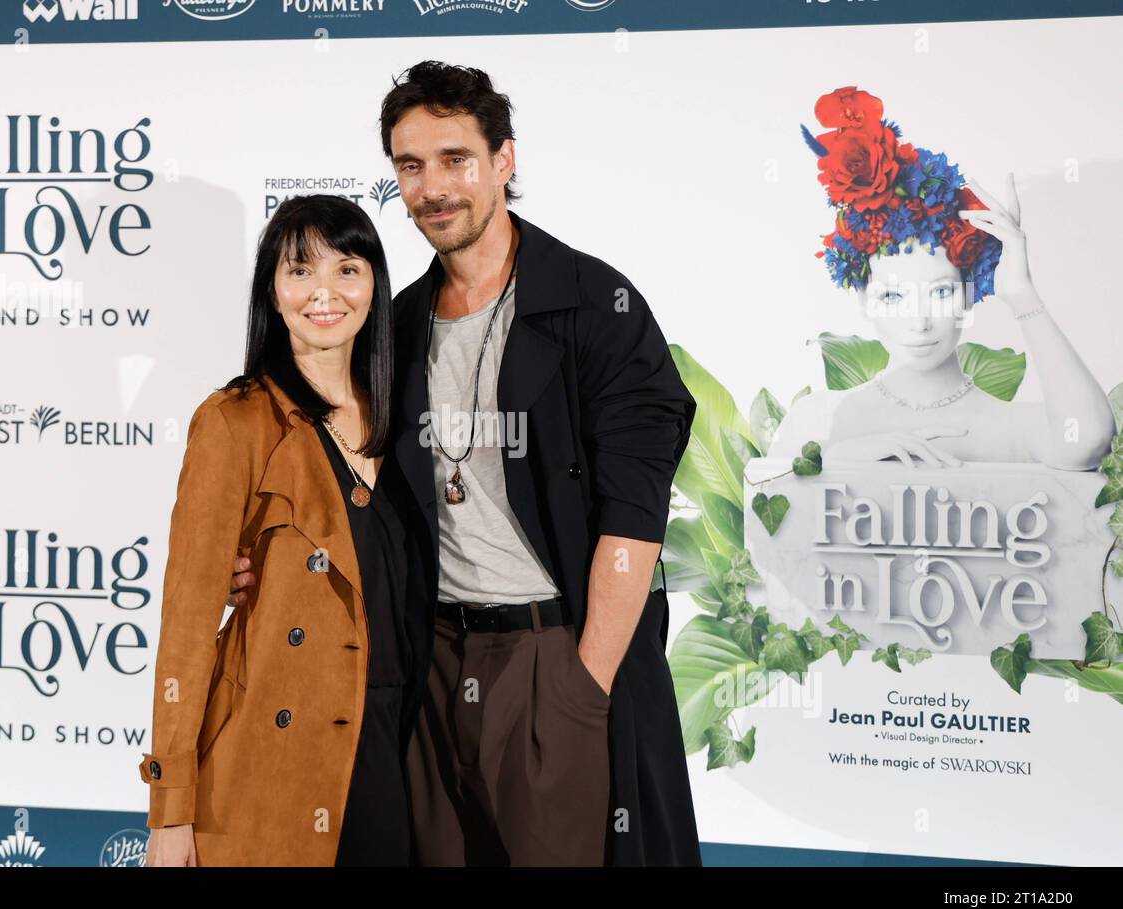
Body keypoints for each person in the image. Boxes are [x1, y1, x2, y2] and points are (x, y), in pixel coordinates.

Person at [228, 61, 702, 866]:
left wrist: (584, 687)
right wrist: (261, 565)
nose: (433, 188)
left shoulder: (595, 306)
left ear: (504, 160)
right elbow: (349, 495)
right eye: (411, 166)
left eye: (455, 160)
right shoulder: (395, 326)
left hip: (554, 653)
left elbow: (634, 515)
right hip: (431, 663)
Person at [139, 193, 420, 866]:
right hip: (274, 757)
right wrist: (171, 808)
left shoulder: (410, 420)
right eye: (300, 270)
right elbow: (186, 626)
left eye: (347, 269)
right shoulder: (234, 421)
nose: (325, 292)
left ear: (375, 285)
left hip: (400, 748)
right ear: (272, 289)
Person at [770, 86, 1113, 470]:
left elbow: (1089, 440)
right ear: (865, 300)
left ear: (968, 294)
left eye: (940, 292)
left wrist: (1022, 296)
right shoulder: (814, 421)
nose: (919, 322)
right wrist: (838, 459)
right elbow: (772, 496)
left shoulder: (1009, 427)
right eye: (893, 297)